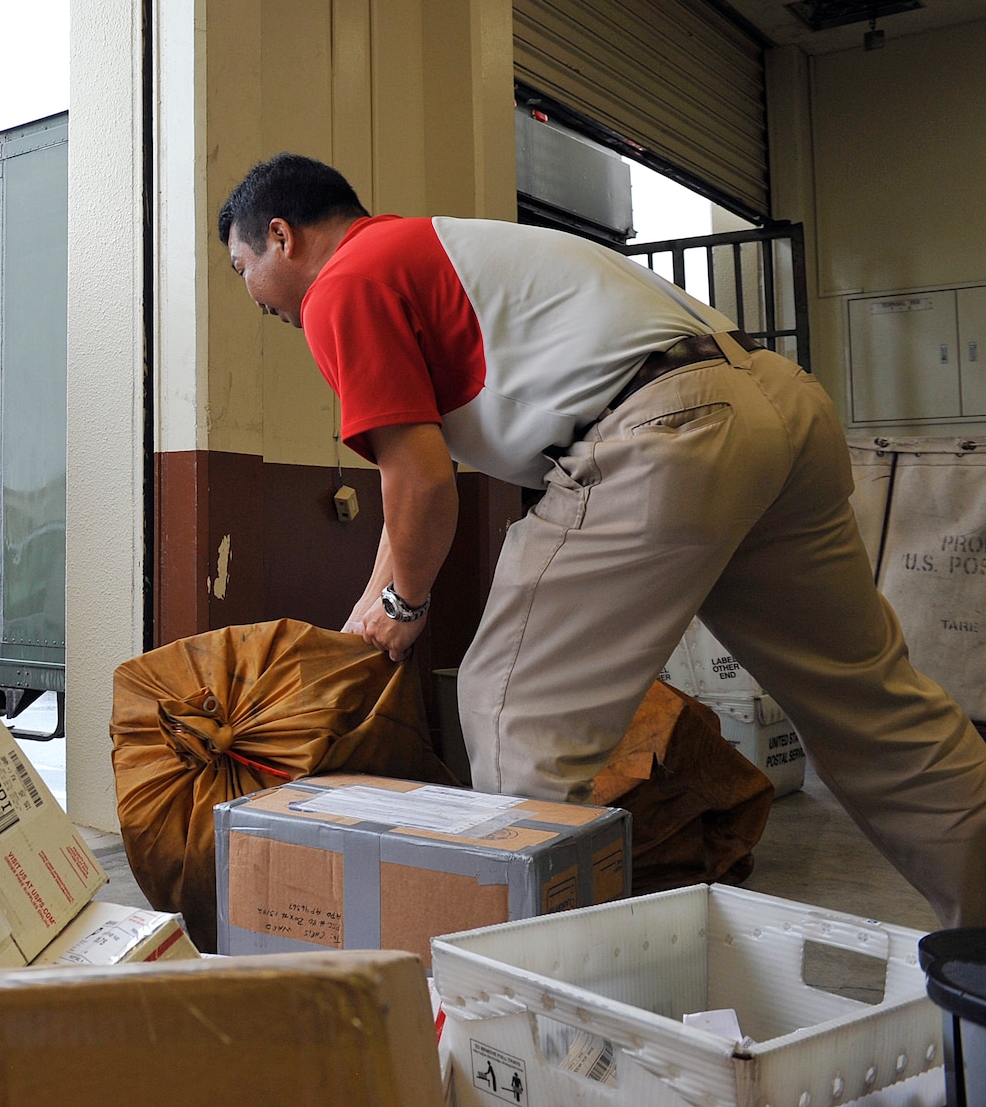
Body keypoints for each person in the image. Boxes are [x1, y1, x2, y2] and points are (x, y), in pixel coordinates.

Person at [220, 151, 986, 926]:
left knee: (512, 714)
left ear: (282, 236)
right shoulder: (438, 251)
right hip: (776, 406)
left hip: (669, 430)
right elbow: (408, 492)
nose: (255, 299)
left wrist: (402, 601)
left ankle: (540, 1006)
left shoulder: (344, 283)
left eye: (242, 266)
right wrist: (376, 608)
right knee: (872, 709)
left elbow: (419, 483)